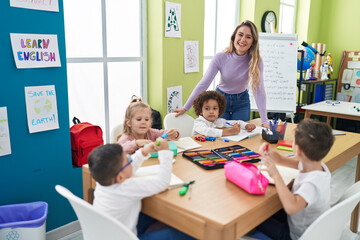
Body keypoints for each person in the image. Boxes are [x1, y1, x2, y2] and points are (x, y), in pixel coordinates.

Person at [88, 142, 195, 240]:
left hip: (110, 233)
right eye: (128, 160)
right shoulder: (127, 187)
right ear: (120, 178)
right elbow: (162, 182)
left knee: (152, 215)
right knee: (179, 234)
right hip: (128, 237)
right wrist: (165, 153)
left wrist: (143, 152)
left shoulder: (104, 181)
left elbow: (127, 172)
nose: (130, 159)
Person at [173, 20, 270, 128]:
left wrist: (264, 120)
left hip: (242, 102)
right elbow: (204, 84)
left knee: (242, 137)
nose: (243, 40)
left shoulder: (256, 60)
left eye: (248, 37)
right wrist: (185, 107)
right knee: (221, 137)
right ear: (234, 37)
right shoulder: (221, 57)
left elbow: (258, 89)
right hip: (219, 101)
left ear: (253, 41)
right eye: (240, 35)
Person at [256, 119, 334, 240]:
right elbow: (291, 163)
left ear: (297, 150)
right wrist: (276, 156)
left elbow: (291, 207)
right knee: (265, 210)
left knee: (256, 219)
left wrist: (276, 175)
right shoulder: (317, 165)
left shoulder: (311, 184)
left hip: (297, 236)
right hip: (305, 224)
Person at [192, 90, 256, 137]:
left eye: (215, 108)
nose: (211, 112)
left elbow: (235, 122)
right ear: (200, 110)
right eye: (207, 108)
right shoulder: (199, 122)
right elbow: (208, 131)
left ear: (219, 110)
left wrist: (246, 125)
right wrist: (230, 132)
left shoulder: (218, 120)